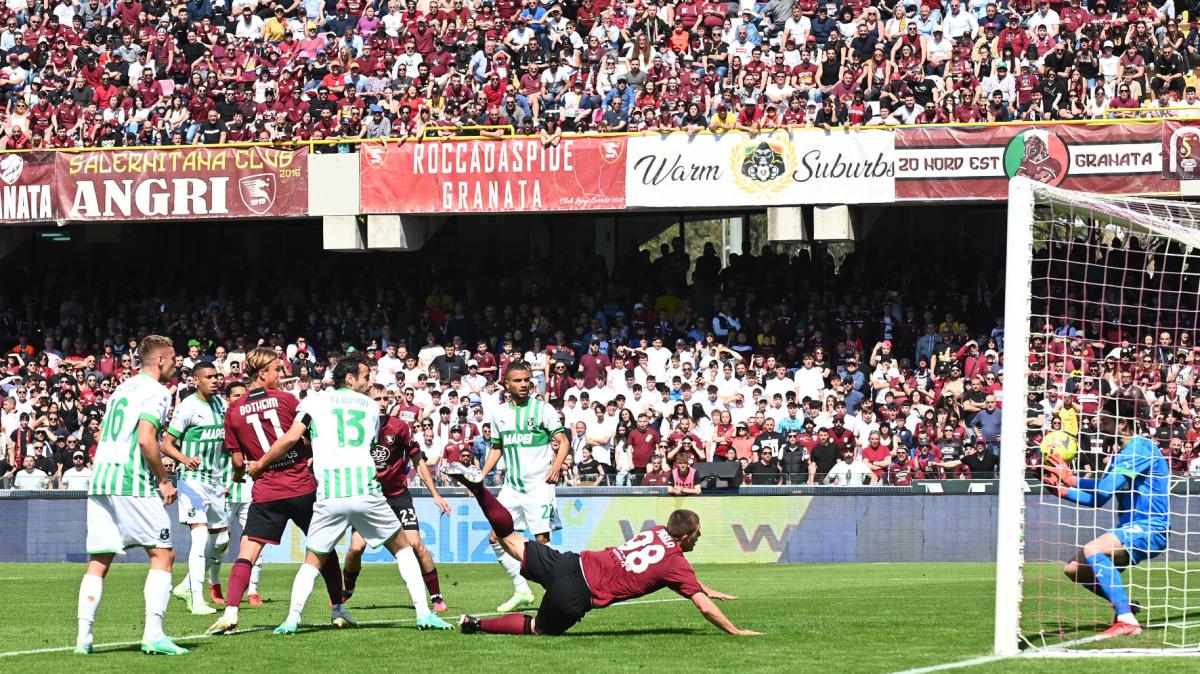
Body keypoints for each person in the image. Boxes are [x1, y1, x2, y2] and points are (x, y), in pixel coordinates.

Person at [444, 461, 760, 636]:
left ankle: (479, 489)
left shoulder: (656, 531)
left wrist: (704, 587)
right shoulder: (675, 563)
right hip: (578, 594)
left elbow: (681, 579)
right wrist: (736, 631)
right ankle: (474, 623)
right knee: (538, 628)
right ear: (686, 537)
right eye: (698, 534)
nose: (698, 538)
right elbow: (703, 607)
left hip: (570, 563)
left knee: (509, 535)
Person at [257, 353, 451, 633]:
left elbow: (290, 438)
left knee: (313, 561)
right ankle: (423, 613)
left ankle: (291, 619)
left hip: (330, 496)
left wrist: (261, 465)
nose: (370, 383)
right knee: (403, 549)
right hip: (366, 492)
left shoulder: (314, 400)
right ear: (349, 378)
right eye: (365, 377)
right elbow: (369, 445)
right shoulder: (370, 408)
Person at [207, 347, 347, 635]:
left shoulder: (233, 411)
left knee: (247, 554)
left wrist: (239, 474)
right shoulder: (286, 400)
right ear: (262, 373)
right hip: (300, 487)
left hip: (266, 491)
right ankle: (338, 610)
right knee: (325, 548)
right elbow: (305, 435)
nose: (281, 375)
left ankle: (231, 612)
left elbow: (236, 461)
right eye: (277, 370)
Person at [75, 335, 188, 656]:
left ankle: (84, 637)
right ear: (161, 360)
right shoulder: (157, 392)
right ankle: (154, 634)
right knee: (163, 555)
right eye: (174, 357)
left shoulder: (122, 389)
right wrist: (164, 480)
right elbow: (146, 439)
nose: (176, 363)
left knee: (99, 559)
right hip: (131, 481)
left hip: (101, 479)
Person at [1044, 398, 1171, 638]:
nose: (1097, 419)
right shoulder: (1121, 453)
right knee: (1074, 569)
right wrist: (1064, 490)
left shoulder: (1140, 448)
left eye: (1104, 417)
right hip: (1131, 528)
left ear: (1122, 424)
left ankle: (1126, 619)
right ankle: (1125, 605)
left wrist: (1071, 480)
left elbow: (1103, 489)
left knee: (1093, 550)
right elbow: (1098, 499)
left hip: (1150, 527)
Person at [342, 382, 453, 613]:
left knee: (415, 544)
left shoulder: (400, 427)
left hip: (397, 496)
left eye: (385, 399)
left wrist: (435, 494)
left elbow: (418, 461)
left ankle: (436, 595)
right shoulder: (357, 428)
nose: (382, 403)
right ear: (366, 402)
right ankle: (348, 590)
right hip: (369, 497)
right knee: (355, 548)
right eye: (377, 399)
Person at [479, 361, 570, 613]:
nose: (524, 384)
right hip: (512, 487)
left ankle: (558, 588)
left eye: (527, 380)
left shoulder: (543, 409)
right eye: (518, 380)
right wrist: (481, 476)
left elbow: (562, 441)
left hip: (539, 485)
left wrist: (557, 466)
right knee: (496, 537)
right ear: (506, 384)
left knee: (541, 542)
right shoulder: (499, 414)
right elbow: (497, 448)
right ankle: (521, 589)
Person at [162, 361, 230, 615]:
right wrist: (184, 459)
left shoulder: (220, 405)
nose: (215, 380)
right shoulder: (188, 407)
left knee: (222, 539)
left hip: (215, 480)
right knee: (200, 537)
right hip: (192, 480)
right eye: (209, 377)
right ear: (196, 380)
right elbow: (166, 444)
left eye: (217, 376)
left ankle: (186, 586)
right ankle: (197, 599)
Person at [221, 381, 265, 606]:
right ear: (227, 398)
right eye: (235, 395)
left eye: (243, 395)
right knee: (219, 542)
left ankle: (253, 590)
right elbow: (219, 459)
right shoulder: (221, 424)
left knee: (255, 540)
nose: (239, 398)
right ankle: (214, 584)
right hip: (224, 491)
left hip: (249, 491)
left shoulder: (251, 422)